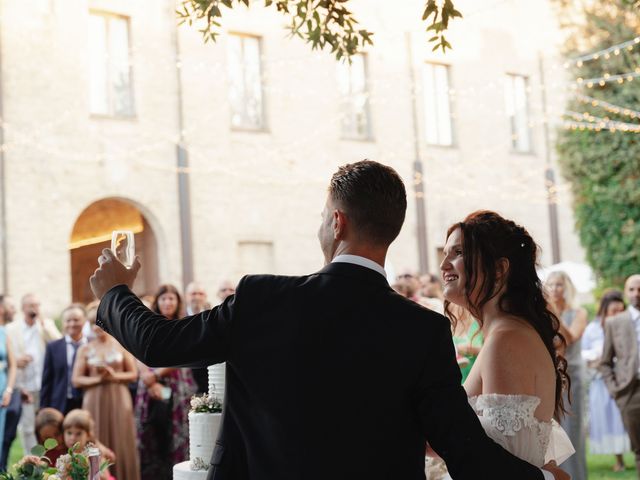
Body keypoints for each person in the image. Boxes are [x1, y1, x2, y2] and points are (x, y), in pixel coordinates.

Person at [90, 160, 568, 480]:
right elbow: (464, 450)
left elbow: (158, 344)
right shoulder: (421, 329)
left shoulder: (262, 298)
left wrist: (114, 292)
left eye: (323, 215)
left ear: (337, 222)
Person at [440, 211, 573, 472]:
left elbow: (505, 463)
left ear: (499, 269)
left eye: (458, 253)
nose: (444, 265)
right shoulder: (505, 334)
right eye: (446, 254)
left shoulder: (507, 340)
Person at [134, 284, 196, 480]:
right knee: (151, 432)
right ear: (157, 302)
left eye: (171, 298)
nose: (167, 302)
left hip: (177, 387)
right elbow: (135, 350)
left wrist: (157, 375)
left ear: (177, 302)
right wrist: (149, 379)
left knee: (175, 434)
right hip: (150, 388)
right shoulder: (147, 323)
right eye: (163, 298)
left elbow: (183, 355)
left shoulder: (184, 324)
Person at [72, 313, 140, 480]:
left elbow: (133, 374)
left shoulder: (122, 345)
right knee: (94, 437)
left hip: (118, 397)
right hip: (94, 398)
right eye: (93, 324)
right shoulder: (85, 349)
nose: (97, 328)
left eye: (101, 323)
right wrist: (98, 378)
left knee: (122, 438)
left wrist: (113, 376)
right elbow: (76, 380)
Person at [545, 270, 588, 480]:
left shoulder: (578, 312)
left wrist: (553, 312)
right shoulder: (545, 315)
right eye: (550, 285)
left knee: (573, 430)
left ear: (567, 288)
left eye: (559, 285)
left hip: (574, 376)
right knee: (553, 430)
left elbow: (569, 338)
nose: (554, 289)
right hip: (550, 376)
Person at [6, 293, 61, 453]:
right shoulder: (12, 329)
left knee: (47, 424)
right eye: (31, 306)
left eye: (37, 305)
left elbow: (59, 345)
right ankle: (31, 463)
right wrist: (17, 360)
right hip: (25, 385)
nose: (34, 309)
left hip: (44, 385)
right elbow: (8, 356)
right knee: (28, 427)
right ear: (23, 308)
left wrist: (45, 326)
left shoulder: (46, 325)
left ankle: (49, 460)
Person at [582, 290, 629, 471]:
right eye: (613, 311)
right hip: (600, 380)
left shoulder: (628, 325)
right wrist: (594, 361)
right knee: (610, 418)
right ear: (605, 310)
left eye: (620, 310)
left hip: (624, 378)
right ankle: (619, 459)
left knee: (625, 417)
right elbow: (583, 352)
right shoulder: (593, 329)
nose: (617, 315)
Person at [601, 274, 640, 478]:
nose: (636, 294)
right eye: (632, 289)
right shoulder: (614, 323)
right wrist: (617, 391)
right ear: (626, 293)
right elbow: (605, 363)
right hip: (630, 392)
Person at [40, 304, 88, 414]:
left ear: (84, 321)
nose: (72, 324)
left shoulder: (92, 345)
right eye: (68, 320)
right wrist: (44, 408)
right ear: (63, 323)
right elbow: (47, 380)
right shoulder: (53, 347)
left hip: (87, 401)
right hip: (60, 403)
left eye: (76, 320)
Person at [62, 409, 112, 480]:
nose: (72, 438)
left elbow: (105, 477)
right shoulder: (65, 457)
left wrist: (92, 472)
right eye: (69, 433)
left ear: (88, 435)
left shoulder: (94, 455)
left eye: (78, 433)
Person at [0, 295, 20, 471]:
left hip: (2, 390)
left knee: (2, 436)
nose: (13, 310)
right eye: (10, 306)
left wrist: (8, 390)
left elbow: (13, 365)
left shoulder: (4, 333)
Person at [185, 281, 211, 394]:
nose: (197, 297)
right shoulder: (179, 317)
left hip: (207, 376)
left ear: (205, 297)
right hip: (186, 374)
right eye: (193, 293)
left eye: (200, 294)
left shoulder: (212, 317)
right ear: (186, 296)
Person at [451, 313, 483, 384]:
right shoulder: (448, 326)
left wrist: (464, 349)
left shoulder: (476, 325)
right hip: (459, 380)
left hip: (474, 377)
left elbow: (483, 350)